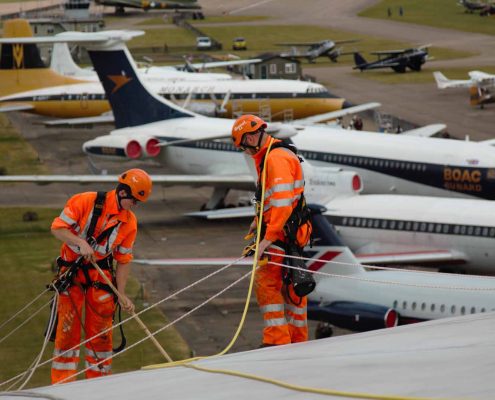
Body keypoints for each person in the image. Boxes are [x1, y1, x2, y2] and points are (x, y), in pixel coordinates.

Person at [50, 169, 152, 384]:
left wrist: (122, 294)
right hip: (72, 273)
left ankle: (99, 386)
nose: (135, 205)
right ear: (124, 193)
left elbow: (123, 260)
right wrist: (80, 242)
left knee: (102, 337)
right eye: (134, 200)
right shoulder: (84, 201)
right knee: (68, 332)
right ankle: (62, 385)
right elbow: (58, 228)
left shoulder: (129, 223)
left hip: (101, 277)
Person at [231, 114, 312, 347]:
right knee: (293, 287)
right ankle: (297, 341)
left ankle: (276, 340)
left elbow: (282, 204)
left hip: (281, 235)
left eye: (244, 146)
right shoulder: (274, 154)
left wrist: (267, 238)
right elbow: (273, 198)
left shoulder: (275, 159)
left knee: (268, 285)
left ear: (251, 137)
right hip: (290, 234)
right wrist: (258, 221)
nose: (245, 151)